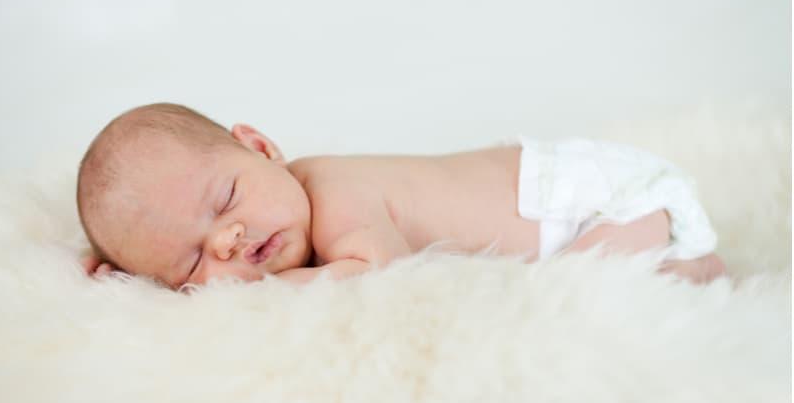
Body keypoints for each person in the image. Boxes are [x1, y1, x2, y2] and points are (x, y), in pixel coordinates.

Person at [77, 103, 727, 290]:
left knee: (585, 290)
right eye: (193, 262)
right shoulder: (291, 217)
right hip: (576, 209)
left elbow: (376, 276)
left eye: (225, 201)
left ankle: (696, 264)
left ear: (261, 146)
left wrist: (210, 297)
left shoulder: (333, 193)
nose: (227, 240)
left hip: (607, 199)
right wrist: (132, 276)